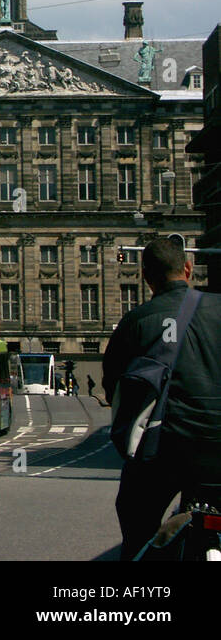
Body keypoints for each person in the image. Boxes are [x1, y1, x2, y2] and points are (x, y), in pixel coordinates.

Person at [102, 236, 221, 561]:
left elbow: (114, 388)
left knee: (135, 517)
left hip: (163, 451)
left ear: (145, 277)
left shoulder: (135, 322)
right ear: (188, 268)